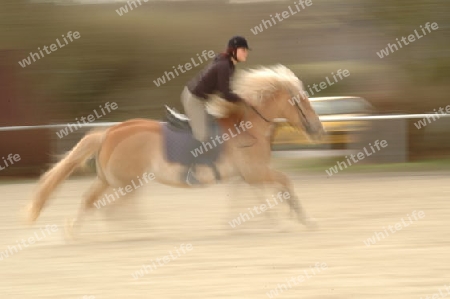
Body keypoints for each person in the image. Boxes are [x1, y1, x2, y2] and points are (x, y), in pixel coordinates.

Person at [180, 35, 255, 186]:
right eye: (243, 50)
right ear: (234, 50)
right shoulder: (224, 66)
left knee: (218, 127)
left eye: (246, 50)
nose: (246, 53)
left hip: (202, 99)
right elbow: (226, 94)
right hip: (194, 100)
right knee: (201, 134)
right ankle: (187, 172)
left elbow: (226, 91)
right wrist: (244, 100)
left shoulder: (228, 64)